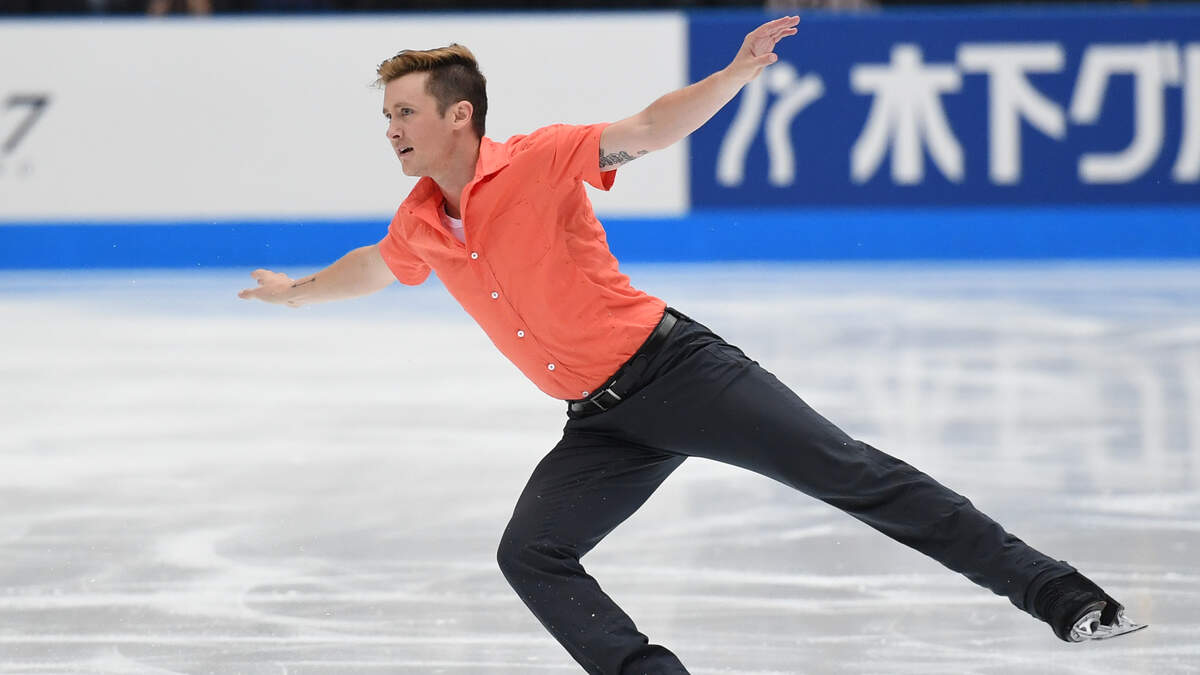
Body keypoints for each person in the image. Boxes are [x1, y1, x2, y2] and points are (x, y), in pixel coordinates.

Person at [238, 17, 1145, 673]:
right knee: (531, 552)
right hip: (599, 423)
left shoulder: (541, 158)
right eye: (387, 115)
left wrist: (735, 74)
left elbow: (645, 129)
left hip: (678, 371)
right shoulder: (420, 221)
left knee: (854, 473)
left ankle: (1062, 595)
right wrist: (298, 293)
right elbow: (375, 264)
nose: (391, 129)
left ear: (459, 115)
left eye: (404, 111)